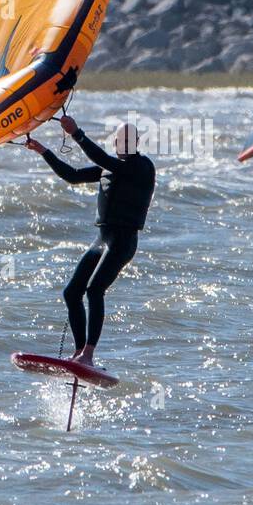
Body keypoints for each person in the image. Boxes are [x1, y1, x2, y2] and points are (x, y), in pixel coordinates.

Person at [25, 116, 155, 366]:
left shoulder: (142, 167)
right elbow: (72, 176)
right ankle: (78, 353)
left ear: (137, 142)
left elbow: (103, 159)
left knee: (95, 290)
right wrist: (43, 151)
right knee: (72, 292)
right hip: (102, 239)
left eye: (130, 140)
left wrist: (77, 133)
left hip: (123, 241)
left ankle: (89, 354)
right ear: (116, 142)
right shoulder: (111, 167)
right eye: (120, 140)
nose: (124, 144)